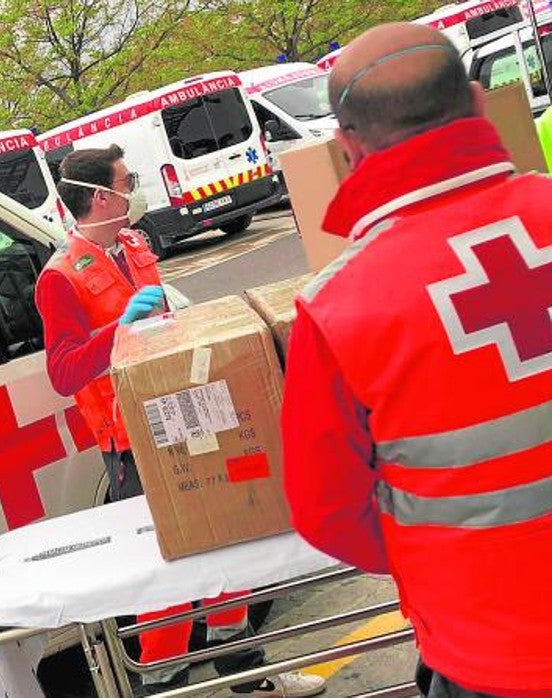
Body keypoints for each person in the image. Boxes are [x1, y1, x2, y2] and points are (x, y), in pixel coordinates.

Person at [282, 23, 552, 698]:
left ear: (348, 146)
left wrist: (439, 558)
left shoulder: (339, 308)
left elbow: (328, 512)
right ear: (478, 102)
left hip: (489, 650)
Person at [36, 146, 325, 697]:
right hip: (132, 441)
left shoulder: (134, 246)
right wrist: (119, 327)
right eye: (127, 181)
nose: (135, 188)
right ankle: (163, 685)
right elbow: (63, 371)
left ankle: (248, 672)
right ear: (102, 196)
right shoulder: (61, 277)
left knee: (227, 541)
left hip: (185, 414)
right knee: (165, 570)